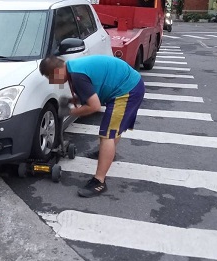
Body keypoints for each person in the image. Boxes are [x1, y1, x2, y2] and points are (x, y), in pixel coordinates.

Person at [39, 55, 145, 198]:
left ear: (57, 71)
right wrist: (72, 100)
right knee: (112, 129)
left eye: (50, 78)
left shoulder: (77, 75)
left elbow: (94, 106)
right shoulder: (73, 68)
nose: (52, 82)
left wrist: (70, 111)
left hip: (127, 90)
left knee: (107, 134)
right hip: (130, 85)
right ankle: (106, 154)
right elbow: (91, 93)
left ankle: (99, 181)